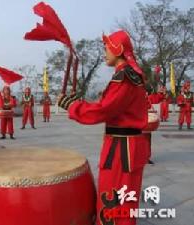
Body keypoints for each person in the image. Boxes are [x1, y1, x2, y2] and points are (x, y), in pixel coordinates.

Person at [58, 30, 149, 225]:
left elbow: (104, 110)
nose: (105, 51)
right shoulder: (130, 75)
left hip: (122, 148)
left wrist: (72, 106)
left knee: (115, 193)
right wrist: (80, 103)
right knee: (124, 195)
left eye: (107, 47)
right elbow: (109, 105)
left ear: (118, 49)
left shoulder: (124, 77)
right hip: (126, 144)